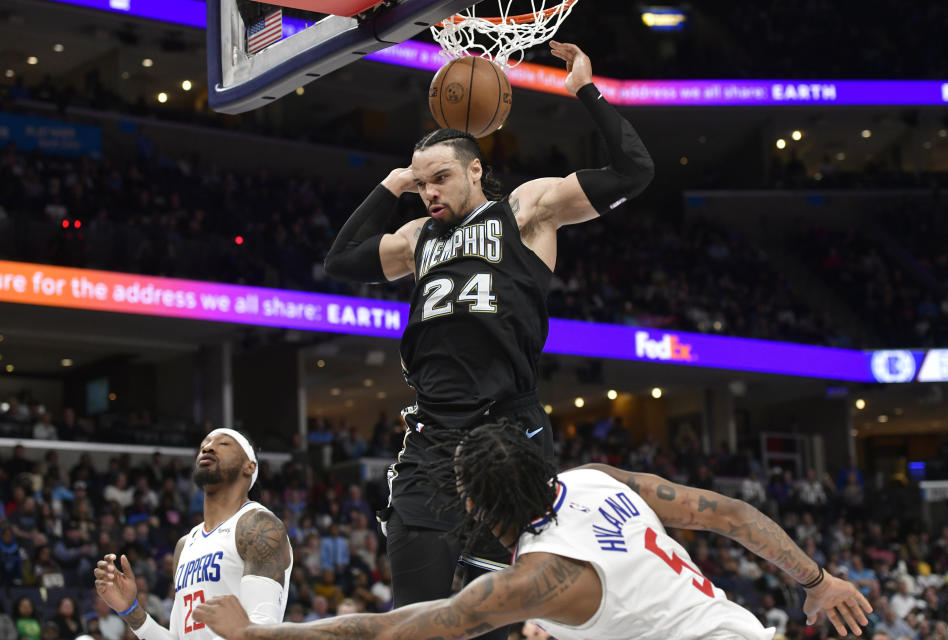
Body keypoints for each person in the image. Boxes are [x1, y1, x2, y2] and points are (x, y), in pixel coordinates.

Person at [322, 40, 654, 636]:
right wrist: (390, 184)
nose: (431, 193)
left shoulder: (525, 212)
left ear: (476, 169)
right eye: (423, 184)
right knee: (413, 619)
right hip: (429, 437)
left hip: (506, 432)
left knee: (495, 620)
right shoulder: (418, 236)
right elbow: (340, 261)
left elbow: (635, 171)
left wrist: (584, 89)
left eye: (441, 178)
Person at [194, 421, 872, 640]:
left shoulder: (540, 577)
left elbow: (392, 629)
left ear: (486, 509)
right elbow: (730, 515)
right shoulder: (595, 478)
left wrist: (261, 634)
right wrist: (816, 580)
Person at [93, 428, 293, 639]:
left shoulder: (257, 525)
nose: (208, 447)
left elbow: (262, 630)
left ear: (249, 466)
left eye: (223, 444)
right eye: (203, 446)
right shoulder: (185, 544)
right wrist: (131, 610)